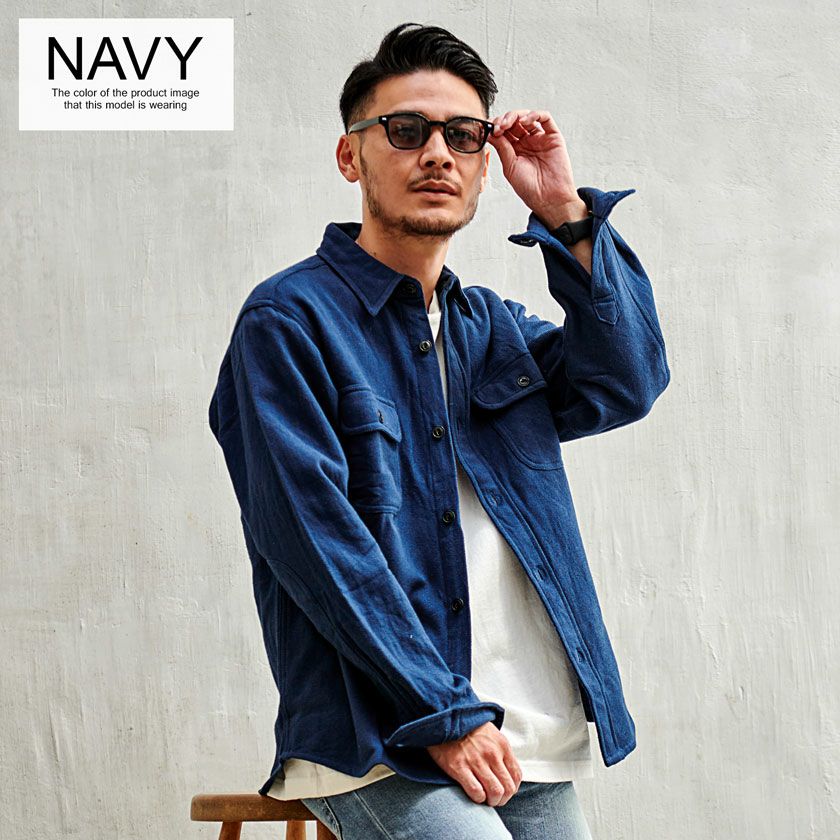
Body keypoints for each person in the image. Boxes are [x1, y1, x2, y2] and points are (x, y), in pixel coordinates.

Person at [208, 21, 670, 839]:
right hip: (384, 735)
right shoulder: (289, 322)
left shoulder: (494, 330)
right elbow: (314, 543)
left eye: (463, 136)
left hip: (524, 735)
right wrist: (442, 710)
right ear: (350, 156)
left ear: (485, 164)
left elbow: (626, 381)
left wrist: (564, 214)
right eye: (405, 130)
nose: (437, 155)